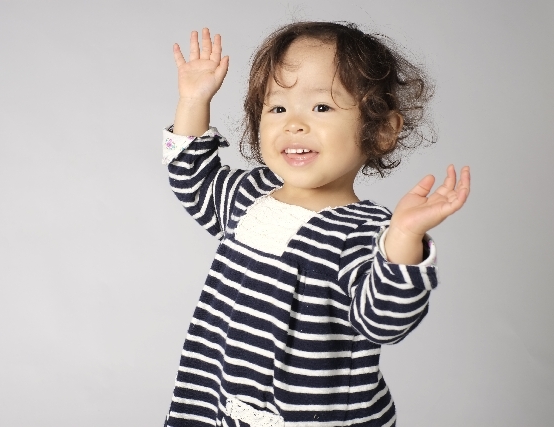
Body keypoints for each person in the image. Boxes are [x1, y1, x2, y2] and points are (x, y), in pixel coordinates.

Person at [161, 22, 470, 427]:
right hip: (217, 403)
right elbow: (193, 179)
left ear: (380, 130)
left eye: (321, 107)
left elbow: (383, 321)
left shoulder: (365, 232)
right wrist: (193, 100)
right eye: (277, 107)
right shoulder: (249, 195)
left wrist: (405, 238)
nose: (295, 123)